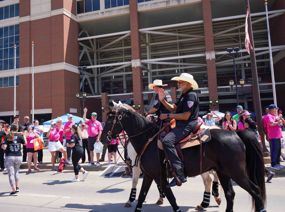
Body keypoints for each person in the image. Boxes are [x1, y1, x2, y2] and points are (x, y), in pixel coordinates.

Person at [158, 73, 199, 187]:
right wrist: (162, 100)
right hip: (181, 124)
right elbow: (173, 108)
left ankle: (179, 173)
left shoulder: (191, 95)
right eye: (179, 81)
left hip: (187, 124)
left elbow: (186, 116)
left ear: (188, 84)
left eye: (181, 82)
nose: (179, 83)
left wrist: (167, 116)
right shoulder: (183, 95)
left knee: (167, 141)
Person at [1, 124, 26, 195]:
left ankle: (14, 189)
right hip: (18, 156)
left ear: (10, 128)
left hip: (10, 156)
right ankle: (17, 187)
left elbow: (4, 147)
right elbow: (25, 143)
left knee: (11, 174)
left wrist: (2, 145)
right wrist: (23, 135)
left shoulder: (7, 136)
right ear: (17, 129)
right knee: (16, 172)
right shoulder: (20, 136)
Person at [264, 104, 285, 170]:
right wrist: (278, 121)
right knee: (274, 150)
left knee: (278, 150)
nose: (276, 110)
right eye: (275, 109)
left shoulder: (275, 116)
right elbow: (271, 124)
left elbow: (281, 124)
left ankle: (277, 163)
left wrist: (280, 120)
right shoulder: (268, 116)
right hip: (273, 136)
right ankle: (273, 164)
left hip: (278, 136)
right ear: (272, 109)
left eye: (276, 109)